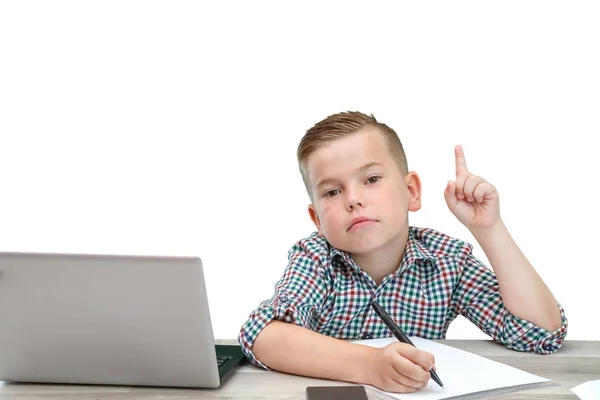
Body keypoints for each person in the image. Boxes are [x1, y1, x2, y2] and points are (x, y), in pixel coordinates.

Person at [238, 111, 567, 393]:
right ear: (317, 220)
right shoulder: (316, 258)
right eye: (333, 191)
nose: (353, 199)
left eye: (371, 179)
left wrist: (489, 229)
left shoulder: (447, 260)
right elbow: (262, 335)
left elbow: (540, 333)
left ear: (411, 191)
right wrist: (370, 366)